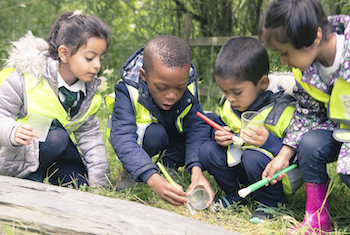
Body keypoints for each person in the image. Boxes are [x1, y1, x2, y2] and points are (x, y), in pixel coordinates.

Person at [261, 0, 350, 234]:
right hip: (341, 128)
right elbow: (307, 113)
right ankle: (317, 219)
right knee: (310, 145)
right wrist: (284, 154)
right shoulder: (305, 71)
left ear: (314, 37)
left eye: (285, 53)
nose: (282, 61)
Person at [0, 10, 111, 188]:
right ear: (64, 54)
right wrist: (12, 131)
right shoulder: (27, 77)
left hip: (55, 153)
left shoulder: (88, 94)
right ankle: (29, 179)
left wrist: (101, 182)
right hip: (17, 155)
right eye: (90, 58)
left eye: (100, 58)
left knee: (80, 185)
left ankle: (47, 174)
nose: (97, 65)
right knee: (58, 136)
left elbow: (91, 139)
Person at [199, 36, 300, 223]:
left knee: (252, 156)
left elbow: (297, 155)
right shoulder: (230, 106)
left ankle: (272, 204)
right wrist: (219, 134)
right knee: (207, 150)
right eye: (224, 91)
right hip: (241, 166)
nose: (230, 98)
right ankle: (236, 196)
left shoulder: (281, 111)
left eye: (237, 92)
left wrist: (269, 142)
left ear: (262, 83)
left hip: (272, 174)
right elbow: (222, 124)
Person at [109, 35, 214, 206]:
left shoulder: (187, 84)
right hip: (143, 140)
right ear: (143, 75)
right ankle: (131, 171)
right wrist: (152, 178)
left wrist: (197, 170)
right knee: (155, 134)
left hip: (171, 133)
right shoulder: (127, 90)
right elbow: (122, 138)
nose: (171, 96)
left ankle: (167, 165)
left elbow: (197, 129)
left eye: (180, 88)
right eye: (161, 87)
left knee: (208, 121)